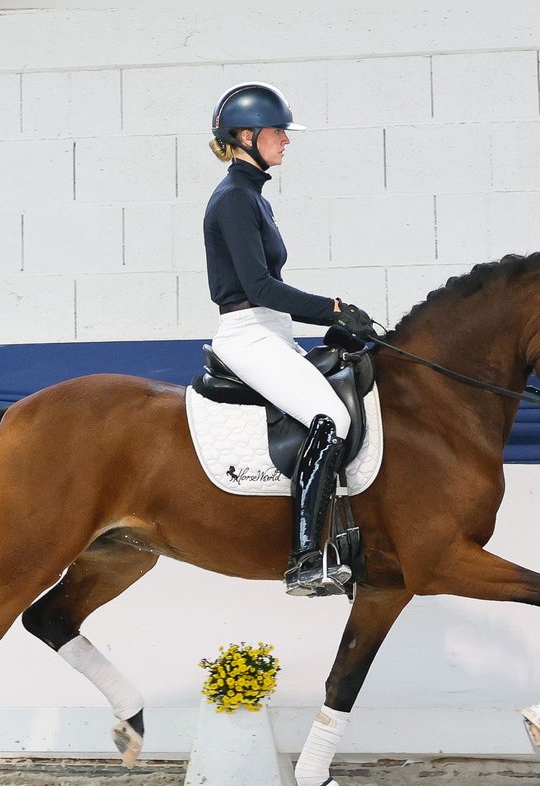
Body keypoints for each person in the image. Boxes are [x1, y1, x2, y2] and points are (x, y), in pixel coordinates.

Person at [203, 82, 376, 597]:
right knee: (331, 418)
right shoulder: (235, 200)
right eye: (278, 131)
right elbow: (259, 288)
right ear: (246, 136)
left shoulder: (252, 197)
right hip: (248, 334)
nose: (286, 140)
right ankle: (304, 559)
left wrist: (335, 319)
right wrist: (332, 309)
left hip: (271, 332)